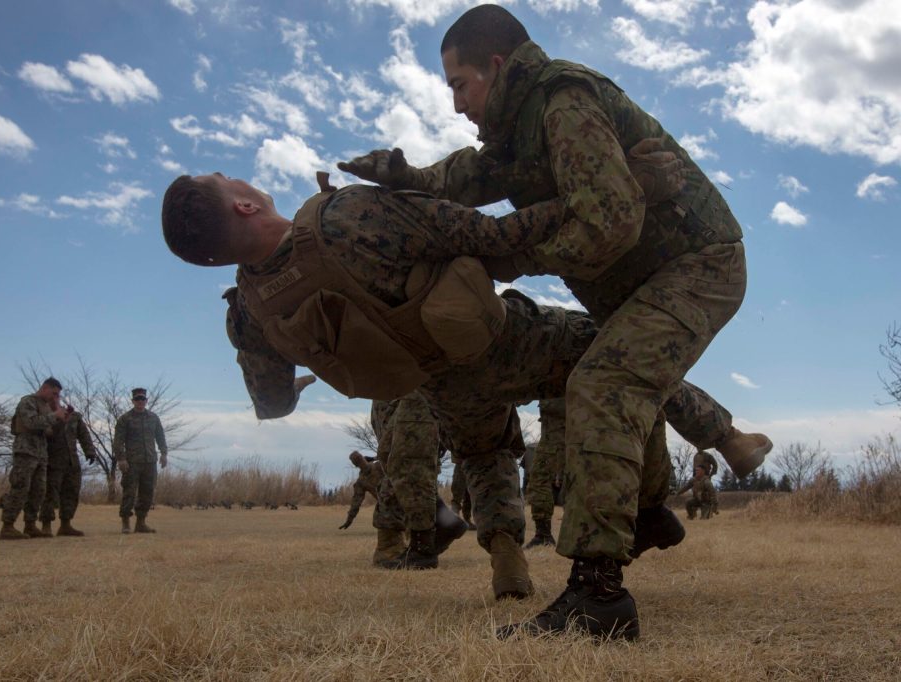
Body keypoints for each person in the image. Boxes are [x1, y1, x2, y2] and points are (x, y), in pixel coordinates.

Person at [337, 4, 773, 640]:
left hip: (695, 263)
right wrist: (406, 177)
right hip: (643, 282)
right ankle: (648, 513)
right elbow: (462, 174)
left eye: (459, 84)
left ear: (496, 65)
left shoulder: (561, 103)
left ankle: (598, 598)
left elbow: (609, 223)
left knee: (603, 383)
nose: (457, 103)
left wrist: (507, 253)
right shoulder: (515, 132)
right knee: (610, 374)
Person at [161, 147, 704, 606]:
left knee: (484, 449)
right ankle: (668, 487)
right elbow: (489, 236)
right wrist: (624, 188)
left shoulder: (248, 312)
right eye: (226, 178)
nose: (237, 177)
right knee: (617, 356)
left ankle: (507, 557)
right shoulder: (346, 215)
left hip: (434, 380)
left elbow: (273, 401)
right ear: (245, 203)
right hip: (503, 341)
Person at [370, 393, 467, 569]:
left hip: (410, 387)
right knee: (395, 459)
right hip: (392, 387)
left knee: (403, 462)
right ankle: (445, 520)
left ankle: (395, 544)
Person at [0, 378, 68, 540]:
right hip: (26, 451)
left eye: (58, 395)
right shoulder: (28, 402)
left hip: (41, 453)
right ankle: (8, 526)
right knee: (20, 487)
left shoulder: (46, 407)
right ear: (44, 388)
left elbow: (50, 433)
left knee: (38, 490)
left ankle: (30, 524)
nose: (55, 397)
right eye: (54, 393)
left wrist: (59, 416)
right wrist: (54, 415)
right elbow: (31, 423)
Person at [339, 450, 409, 565]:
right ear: (355, 465)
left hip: (401, 500)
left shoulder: (380, 466)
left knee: (409, 526)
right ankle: (397, 551)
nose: (360, 461)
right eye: (356, 461)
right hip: (386, 508)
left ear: (363, 458)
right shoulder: (361, 482)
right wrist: (349, 519)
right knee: (388, 526)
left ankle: (412, 550)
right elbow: (356, 501)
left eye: (360, 458)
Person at [114, 388, 168, 534]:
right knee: (129, 492)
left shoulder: (153, 418)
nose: (140, 401)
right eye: (137, 399)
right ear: (132, 401)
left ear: (146, 401)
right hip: (131, 462)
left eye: (142, 399)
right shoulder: (125, 419)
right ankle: (126, 523)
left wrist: (164, 453)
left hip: (150, 461)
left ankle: (141, 523)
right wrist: (121, 458)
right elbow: (118, 441)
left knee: (147, 493)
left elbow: (160, 437)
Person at [38, 406, 97, 537]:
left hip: (72, 461)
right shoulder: (47, 415)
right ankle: (46, 525)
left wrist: (90, 451)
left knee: (72, 492)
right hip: (52, 461)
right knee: (50, 493)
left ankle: (66, 525)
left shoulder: (75, 416)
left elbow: (84, 435)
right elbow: (44, 433)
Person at [524, 399, 564, 548]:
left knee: (540, 479)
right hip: (553, 433)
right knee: (538, 479)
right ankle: (543, 534)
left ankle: (544, 534)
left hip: (559, 434)